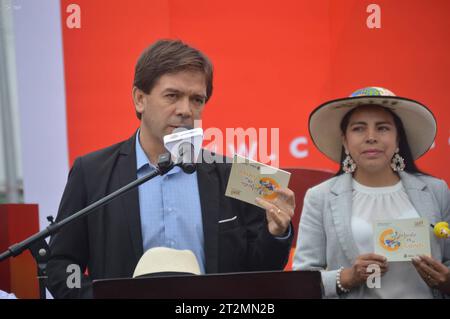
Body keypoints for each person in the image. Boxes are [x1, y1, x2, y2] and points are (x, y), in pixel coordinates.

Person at [47, 39, 295, 298]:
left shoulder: (239, 174)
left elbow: (261, 272)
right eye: (172, 96)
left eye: (197, 99)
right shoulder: (91, 172)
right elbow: (62, 265)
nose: (186, 110)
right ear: (140, 99)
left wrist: (276, 234)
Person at [293, 87, 449, 298]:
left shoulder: (435, 190)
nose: (371, 137)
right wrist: (347, 277)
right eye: (359, 128)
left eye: (382, 128)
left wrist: (446, 281)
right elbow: (302, 280)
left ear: (398, 139)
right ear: (345, 141)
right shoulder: (320, 197)